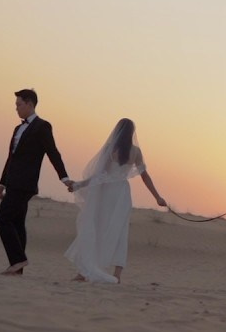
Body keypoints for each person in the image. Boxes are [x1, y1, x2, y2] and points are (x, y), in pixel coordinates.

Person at [65, 118, 166, 283]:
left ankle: (84, 271)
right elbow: (144, 176)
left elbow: (100, 175)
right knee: (120, 231)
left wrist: (79, 185)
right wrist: (157, 197)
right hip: (122, 194)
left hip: (107, 193)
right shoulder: (135, 151)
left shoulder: (110, 150)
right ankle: (117, 274)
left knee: (97, 228)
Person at [0, 88, 73, 276]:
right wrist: (2, 182)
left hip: (25, 183)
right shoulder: (17, 129)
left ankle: (17, 260)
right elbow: (11, 157)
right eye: (16, 106)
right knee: (17, 222)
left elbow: (53, 152)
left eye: (19, 105)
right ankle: (18, 268)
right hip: (12, 182)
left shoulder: (42, 126)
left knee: (1, 218)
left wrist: (64, 177)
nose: (17, 109)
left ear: (30, 104)